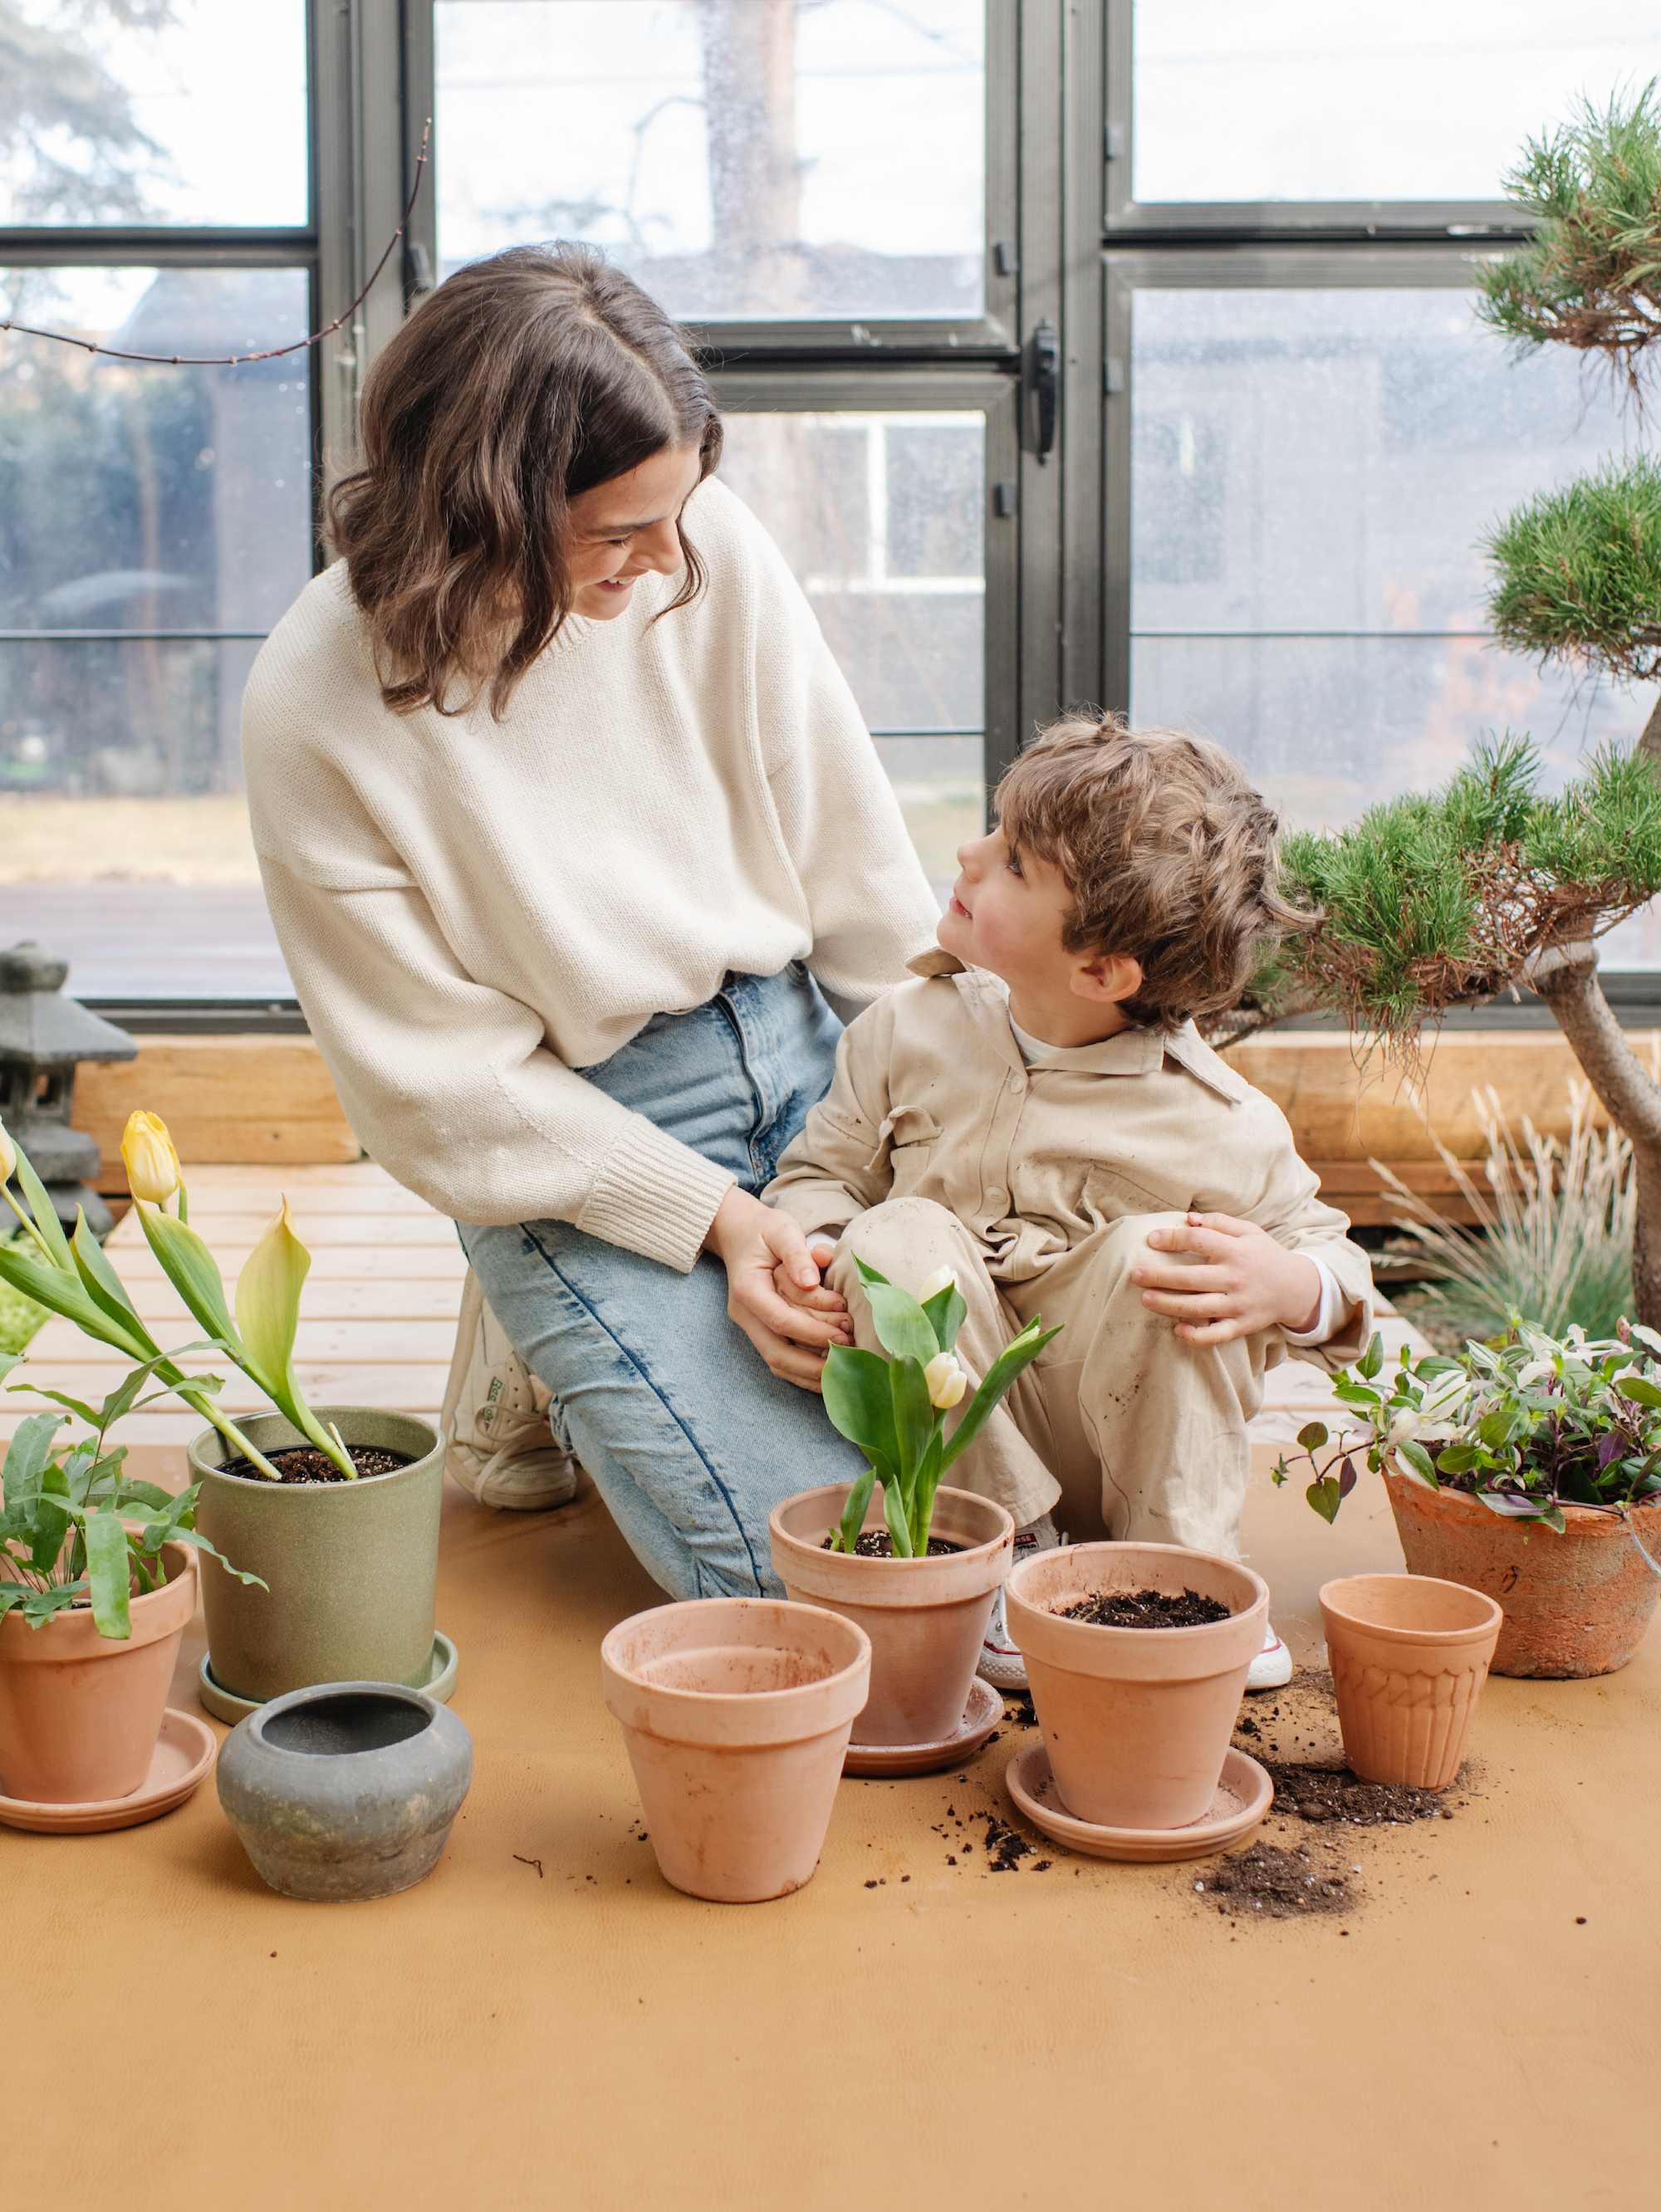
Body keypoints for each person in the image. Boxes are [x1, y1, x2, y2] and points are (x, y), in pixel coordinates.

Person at [239, 243, 940, 1600]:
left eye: (683, 509)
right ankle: (542, 1320)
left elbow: (860, 874)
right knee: (824, 1582)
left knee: (997, 1497)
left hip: (808, 1050)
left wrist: (943, 1116)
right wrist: (728, 1227)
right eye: (620, 532)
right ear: (481, 510)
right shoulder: (314, 701)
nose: (670, 561)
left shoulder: (701, 551)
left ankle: (532, 1365)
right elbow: (441, 1092)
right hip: (567, 1116)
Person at [762, 715, 1375, 1693]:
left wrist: (1290, 1284)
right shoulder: (905, 1030)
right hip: (962, 1437)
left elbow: (1339, 1272)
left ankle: (1185, 1587)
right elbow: (818, 1172)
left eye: (1009, 862)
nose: (967, 853)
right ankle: (1007, 1559)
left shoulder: (1221, 1118)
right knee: (894, 1230)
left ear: (1099, 972)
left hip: (1122, 1440)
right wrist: (829, 1243)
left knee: (1165, 1252)